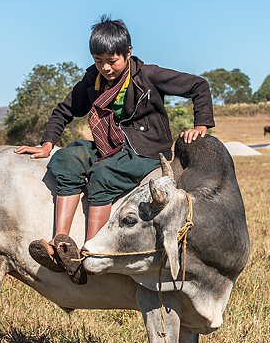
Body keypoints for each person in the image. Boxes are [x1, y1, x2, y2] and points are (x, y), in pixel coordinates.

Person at [15, 16, 214, 284]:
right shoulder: (92, 79)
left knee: (103, 174)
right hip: (109, 145)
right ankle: (59, 245)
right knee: (66, 159)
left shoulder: (149, 75)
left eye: (113, 61)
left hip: (144, 150)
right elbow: (66, 109)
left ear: (128, 53)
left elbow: (198, 86)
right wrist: (47, 142)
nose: (106, 68)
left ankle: (89, 254)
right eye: (99, 61)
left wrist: (200, 125)